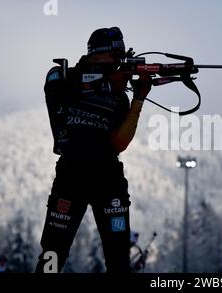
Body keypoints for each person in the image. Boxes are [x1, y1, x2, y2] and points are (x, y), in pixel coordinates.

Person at [35, 27, 152, 273]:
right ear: (97, 55)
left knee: (119, 257)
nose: (118, 62)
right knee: (53, 254)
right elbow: (55, 87)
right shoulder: (65, 76)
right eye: (115, 56)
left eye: (121, 57)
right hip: (72, 173)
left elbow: (120, 143)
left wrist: (139, 98)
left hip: (107, 174)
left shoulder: (119, 97)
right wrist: (107, 84)